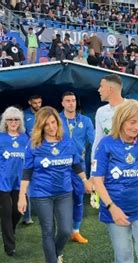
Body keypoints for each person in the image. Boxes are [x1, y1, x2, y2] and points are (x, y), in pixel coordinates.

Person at [92, 99, 138, 263]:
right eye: (132, 122)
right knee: (124, 261)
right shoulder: (106, 144)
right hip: (115, 209)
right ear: (121, 121)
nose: (136, 127)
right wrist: (112, 208)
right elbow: (97, 181)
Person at [18, 106, 87, 263]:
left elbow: (76, 164)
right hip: (41, 194)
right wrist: (22, 196)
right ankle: (52, 262)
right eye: (46, 124)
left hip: (64, 193)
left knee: (65, 230)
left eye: (53, 122)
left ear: (58, 122)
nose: (51, 127)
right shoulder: (33, 145)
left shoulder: (67, 141)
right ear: (40, 126)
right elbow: (26, 172)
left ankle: (56, 254)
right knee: (48, 231)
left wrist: (85, 180)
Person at [59, 91, 94, 244]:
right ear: (62, 103)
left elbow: (94, 141)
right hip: (59, 166)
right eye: (67, 100)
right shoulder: (56, 120)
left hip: (79, 166)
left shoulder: (85, 121)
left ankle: (75, 232)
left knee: (78, 199)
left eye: (73, 100)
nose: (71, 103)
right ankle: (62, 230)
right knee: (61, 199)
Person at [0, 106, 28, 257]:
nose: (13, 122)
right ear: (5, 122)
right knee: (6, 212)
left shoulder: (24, 138)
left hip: (19, 182)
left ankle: (10, 230)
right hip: (2, 182)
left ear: (20, 122)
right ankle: (10, 246)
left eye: (16, 119)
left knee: (17, 211)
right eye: (10, 119)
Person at [22, 94, 42, 225]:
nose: (37, 105)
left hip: (43, 153)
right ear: (30, 102)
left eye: (39, 102)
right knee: (27, 184)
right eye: (35, 103)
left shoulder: (45, 114)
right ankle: (27, 216)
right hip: (29, 154)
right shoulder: (24, 116)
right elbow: (21, 133)